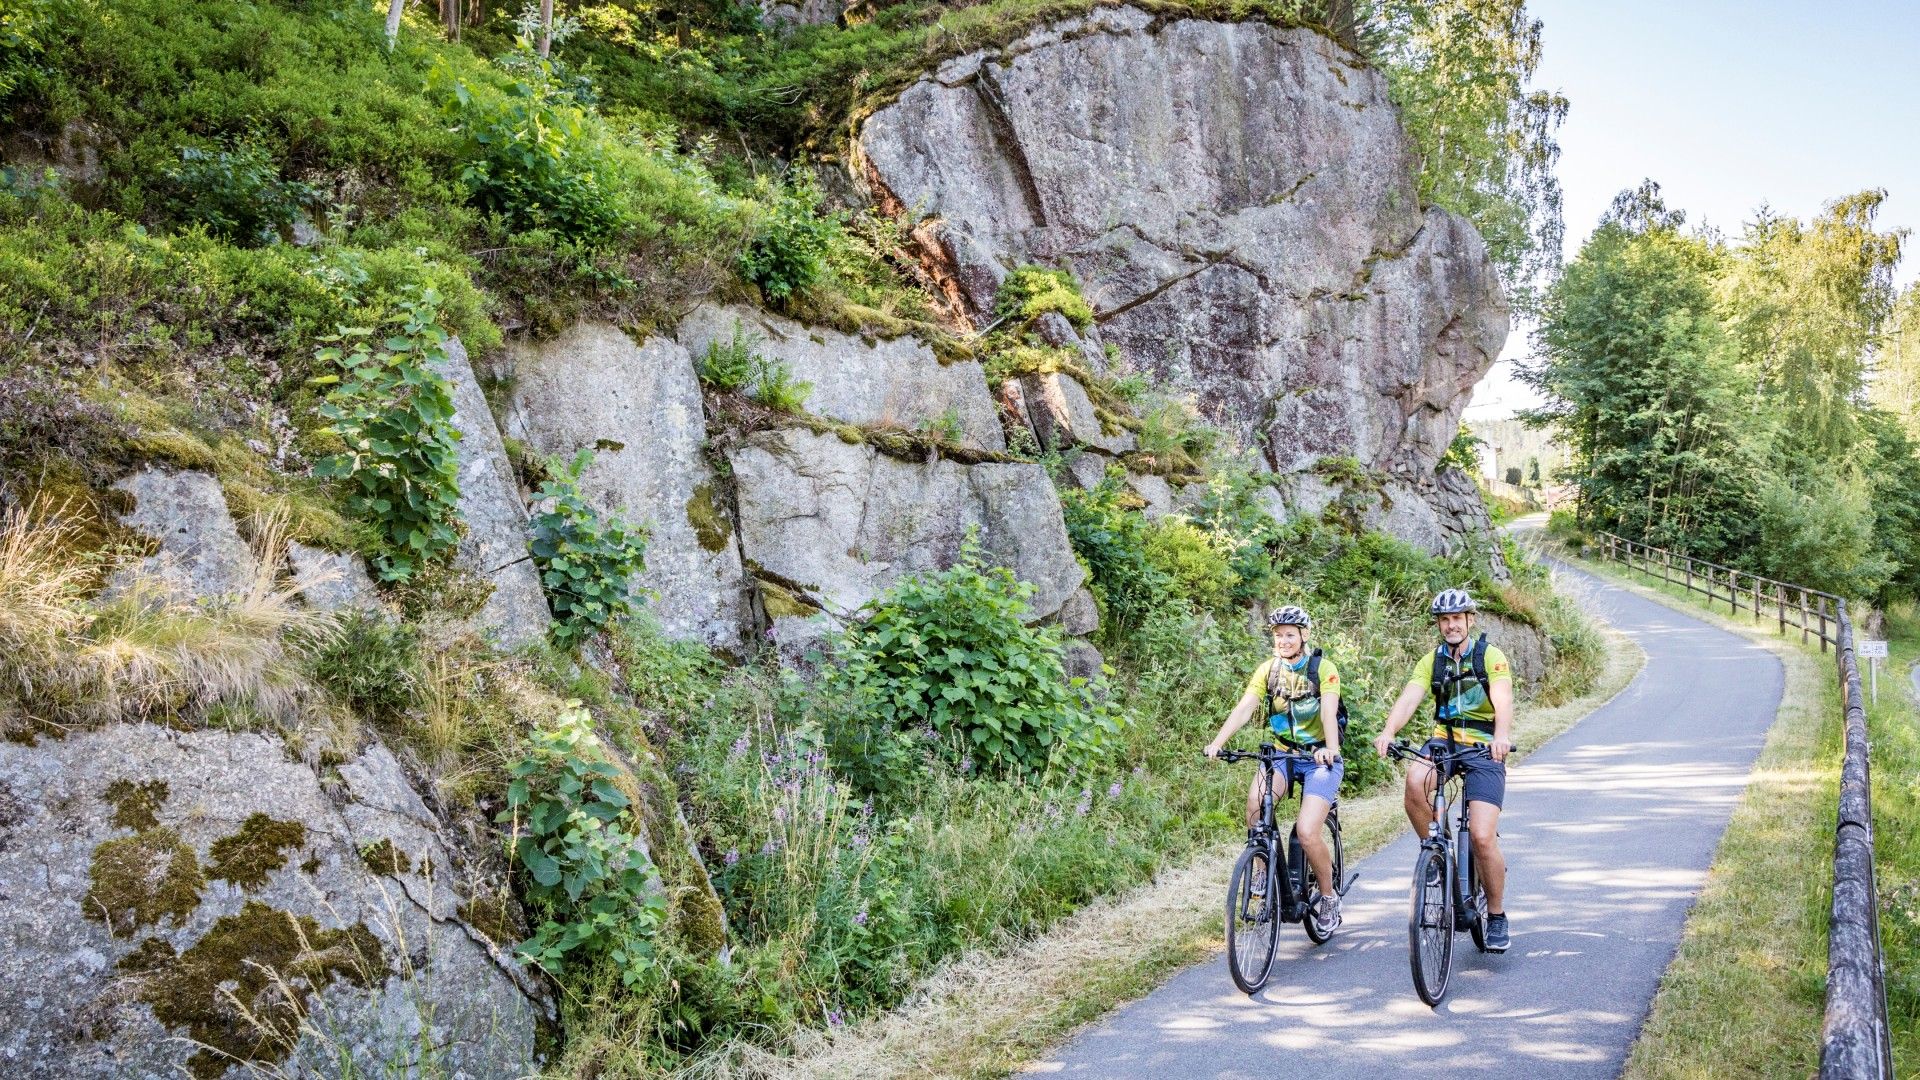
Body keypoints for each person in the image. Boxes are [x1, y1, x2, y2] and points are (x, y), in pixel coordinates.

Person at [1372, 587, 1516, 952]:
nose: (1451, 625)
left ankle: (1496, 915)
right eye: (1444, 620)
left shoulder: (1489, 656)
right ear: (1439, 624)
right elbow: (1410, 698)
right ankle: (1437, 851)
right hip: (1445, 742)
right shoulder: (1432, 661)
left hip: (1484, 746)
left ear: (1470, 620)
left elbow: (1503, 699)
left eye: (1457, 618)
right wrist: (1389, 731)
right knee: (1415, 780)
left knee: (1482, 836)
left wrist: (1501, 736)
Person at [1205, 605, 1344, 935]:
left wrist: (1331, 749)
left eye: (1290, 635)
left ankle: (1328, 898)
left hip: (1318, 758)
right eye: (1278, 635)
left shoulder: (1323, 669)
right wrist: (1218, 742)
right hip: (1282, 754)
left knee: (1307, 832)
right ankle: (1260, 869)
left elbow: (1329, 712)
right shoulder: (1268, 670)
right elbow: (1245, 707)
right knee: (1255, 804)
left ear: (1304, 636)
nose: (1283, 640)